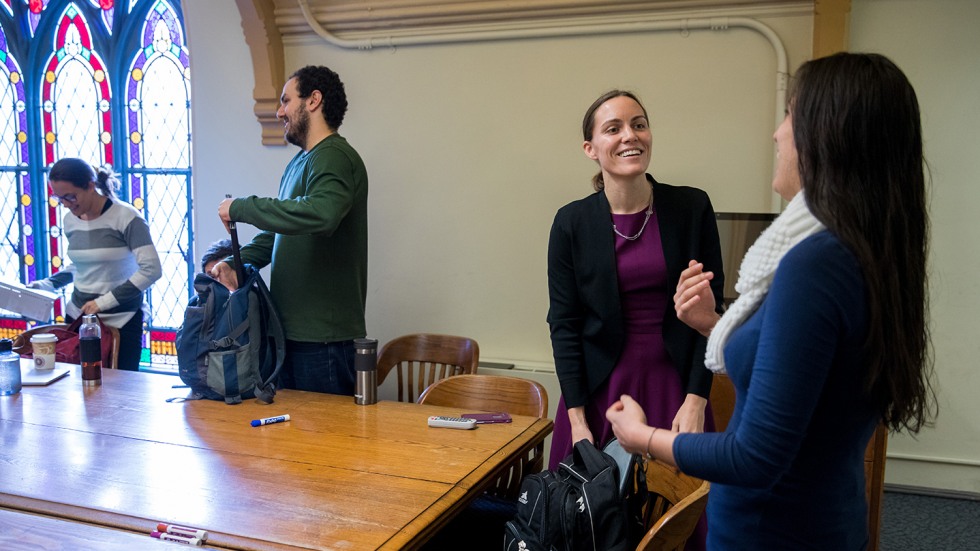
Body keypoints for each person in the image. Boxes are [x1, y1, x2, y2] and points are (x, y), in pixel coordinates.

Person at [607, 53, 935, 550]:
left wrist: (643, 438)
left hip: (772, 529)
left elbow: (754, 456)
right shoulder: (865, 248)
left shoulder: (814, 264)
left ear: (826, 137)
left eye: (789, 116)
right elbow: (802, 367)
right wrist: (711, 324)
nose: (777, 134)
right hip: (824, 516)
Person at [547, 89, 725, 475]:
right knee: (593, 521)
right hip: (597, 395)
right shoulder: (570, 223)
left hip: (676, 389)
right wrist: (577, 420)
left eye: (639, 125)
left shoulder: (691, 208)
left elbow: (709, 315)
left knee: (678, 520)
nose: (630, 135)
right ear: (590, 148)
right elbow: (564, 325)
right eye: (614, 128)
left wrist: (697, 400)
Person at [212, 65, 368, 396]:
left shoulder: (334, 157)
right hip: (288, 333)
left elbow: (322, 215)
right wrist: (236, 263)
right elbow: (280, 235)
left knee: (325, 444)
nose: (280, 111)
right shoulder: (299, 162)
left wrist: (243, 207)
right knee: (291, 440)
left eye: (285, 100)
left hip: (323, 338)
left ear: (314, 100)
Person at [30, 158, 162, 371]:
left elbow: (152, 269)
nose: (66, 204)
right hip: (79, 316)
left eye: (71, 196)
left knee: (121, 392)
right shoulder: (70, 220)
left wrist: (103, 303)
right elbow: (80, 265)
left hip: (122, 319)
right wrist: (47, 284)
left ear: (91, 186)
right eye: (59, 198)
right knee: (80, 389)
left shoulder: (126, 217)